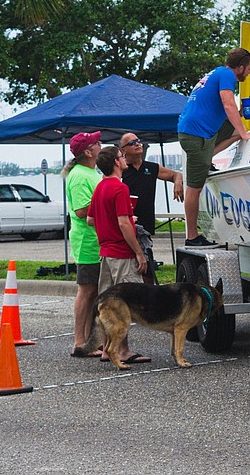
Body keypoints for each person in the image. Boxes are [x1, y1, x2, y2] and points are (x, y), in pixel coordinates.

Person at [178, 47, 250, 247]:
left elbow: (223, 110)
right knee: (194, 189)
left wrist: (240, 116)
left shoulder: (217, 72)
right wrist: (244, 134)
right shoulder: (226, 75)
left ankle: (208, 161)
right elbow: (227, 104)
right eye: (248, 68)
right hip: (195, 134)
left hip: (199, 131)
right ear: (240, 67)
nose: (249, 72)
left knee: (232, 128)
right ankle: (191, 237)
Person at [87, 146, 150, 365]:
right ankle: (123, 350)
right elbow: (124, 223)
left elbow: (90, 220)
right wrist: (139, 253)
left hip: (106, 254)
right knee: (125, 303)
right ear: (116, 162)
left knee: (108, 303)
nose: (125, 159)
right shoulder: (120, 188)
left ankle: (107, 347)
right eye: (122, 157)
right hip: (122, 254)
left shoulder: (100, 187)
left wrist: (107, 228)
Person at [63, 131, 103, 358]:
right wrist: (109, 204)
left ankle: (90, 341)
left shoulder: (90, 172)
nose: (101, 144)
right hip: (88, 241)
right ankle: (79, 341)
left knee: (94, 291)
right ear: (88, 152)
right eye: (96, 143)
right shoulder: (79, 176)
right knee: (87, 290)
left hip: (96, 239)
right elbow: (80, 211)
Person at [119, 132, 185, 235]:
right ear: (123, 150)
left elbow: (176, 174)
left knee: (146, 250)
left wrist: (177, 183)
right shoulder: (120, 169)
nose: (137, 144)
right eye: (132, 143)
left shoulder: (152, 167)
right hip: (126, 223)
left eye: (138, 141)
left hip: (146, 225)